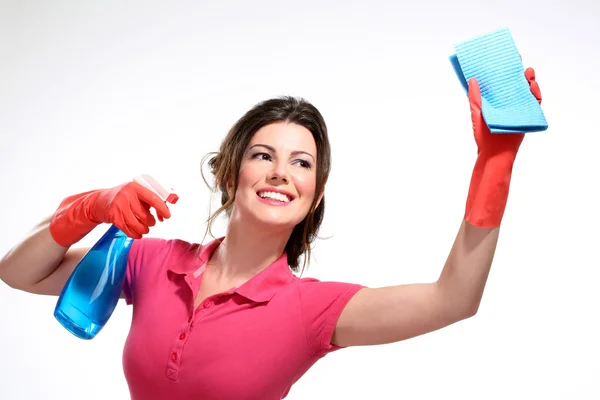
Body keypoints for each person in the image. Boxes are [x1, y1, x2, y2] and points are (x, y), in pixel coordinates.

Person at [0, 68, 543, 399]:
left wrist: (494, 165)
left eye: (302, 164)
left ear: (316, 194)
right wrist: (91, 207)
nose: (282, 172)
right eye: (264, 155)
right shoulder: (149, 262)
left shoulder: (311, 311)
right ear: (231, 171)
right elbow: (18, 271)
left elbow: (453, 299)